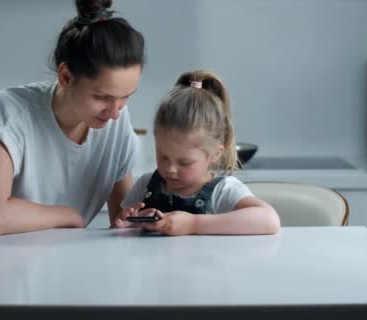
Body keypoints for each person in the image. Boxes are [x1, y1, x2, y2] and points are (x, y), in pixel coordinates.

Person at [0, 0, 145, 236]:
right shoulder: (9, 111)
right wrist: (68, 215)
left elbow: (121, 222)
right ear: (66, 76)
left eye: (126, 97)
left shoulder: (116, 120)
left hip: (42, 261)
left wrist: (132, 218)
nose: (115, 112)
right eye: (102, 97)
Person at [116, 70, 280, 236]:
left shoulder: (224, 192)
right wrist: (127, 225)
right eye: (163, 156)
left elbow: (269, 220)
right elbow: (116, 238)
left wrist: (193, 224)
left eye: (184, 162)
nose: (170, 169)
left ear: (215, 154)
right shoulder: (144, 187)